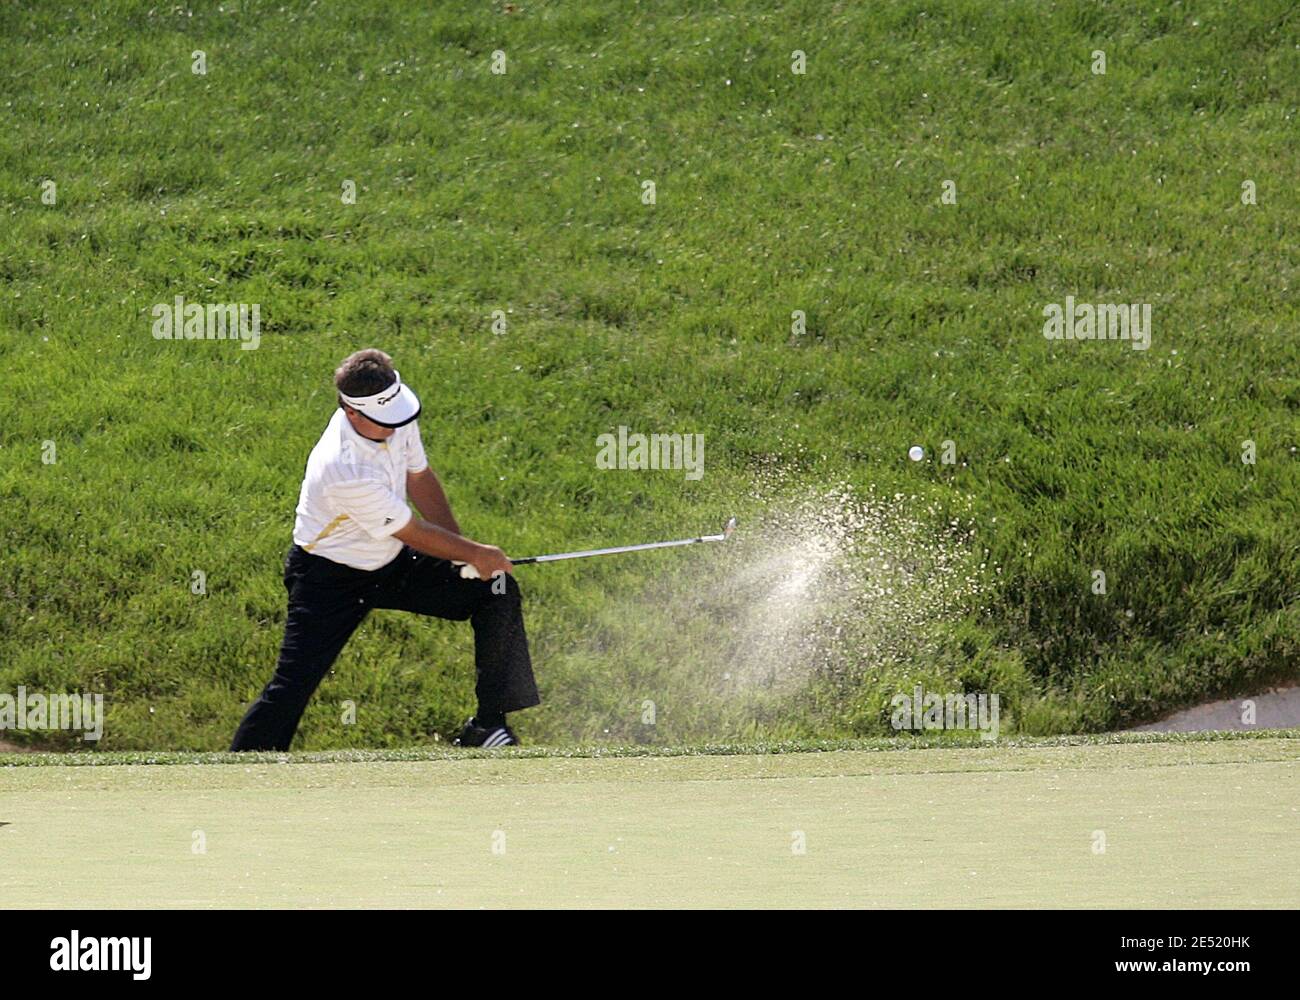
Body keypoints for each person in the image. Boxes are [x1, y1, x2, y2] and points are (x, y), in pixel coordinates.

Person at [230, 348, 538, 751]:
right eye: (384, 423)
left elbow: (421, 478)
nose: (395, 429)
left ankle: (487, 726)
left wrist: (466, 555)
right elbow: (409, 530)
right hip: (329, 577)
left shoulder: (394, 414)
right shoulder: (341, 467)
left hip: (391, 562)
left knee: (494, 590)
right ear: (351, 412)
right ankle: (246, 766)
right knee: (293, 685)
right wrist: (475, 552)